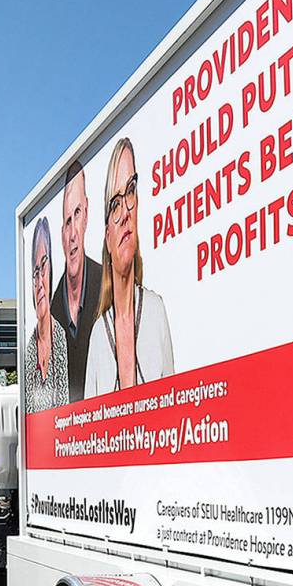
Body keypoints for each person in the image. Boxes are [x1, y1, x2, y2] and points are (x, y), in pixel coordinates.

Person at [85, 138, 174, 397]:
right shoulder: (98, 334)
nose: (125, 212)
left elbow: (174, 400)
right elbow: (89, 415)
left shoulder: (155, 310)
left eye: (131, 191)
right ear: (107, 236)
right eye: (115, 204)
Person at [51, 160, 102, 402]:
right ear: (62, 233)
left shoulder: (108, 285)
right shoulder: (52, 311)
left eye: (77, 214)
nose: (72, 234)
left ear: (87, 214)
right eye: (67, 221)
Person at [23, 217, 70, 413]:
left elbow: (65, 407)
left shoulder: (62, 338)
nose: (40, 280)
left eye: (43, 266)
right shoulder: (30, 350)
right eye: (35, 273)